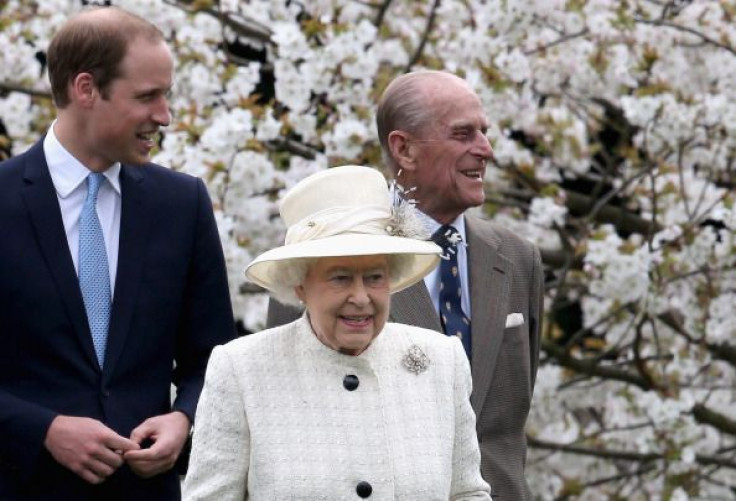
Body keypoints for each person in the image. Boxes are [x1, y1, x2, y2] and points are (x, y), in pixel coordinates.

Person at [268, 71, 544, 500]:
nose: (486, 149)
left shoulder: (517, 259)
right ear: (404, 148)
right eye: (463, 133)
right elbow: (291, 421)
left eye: (485, 133)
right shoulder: (321, 260)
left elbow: (507, 419)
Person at [0, 7, 235, 500]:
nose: (165, 116)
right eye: (148, 96)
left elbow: (212, 357)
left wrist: (183, 417)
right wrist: (42, 428)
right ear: (85, 89)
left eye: (166, 94)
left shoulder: (183, 203)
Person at [183, 165, 492, 500]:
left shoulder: (441, 360)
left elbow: (467, 493)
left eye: (375, 277)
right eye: (340, 278)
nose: (360, 298)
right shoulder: (241, 369)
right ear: (300, 285)